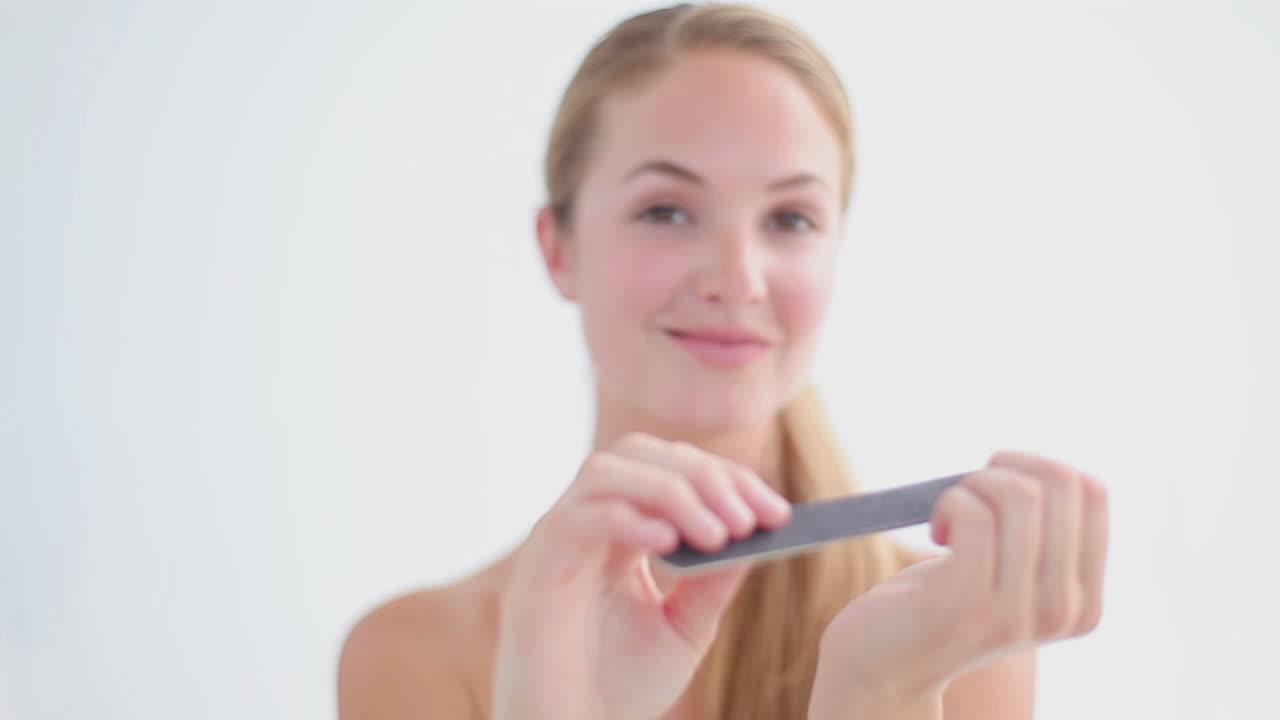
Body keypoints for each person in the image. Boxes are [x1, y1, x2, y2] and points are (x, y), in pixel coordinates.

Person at [336, 3, 1110, 719]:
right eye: (666, 211)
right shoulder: (414, 655)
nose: (737, 278)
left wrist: (881, 690)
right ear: (557, 248)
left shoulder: (951, 632)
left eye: (790, 218)